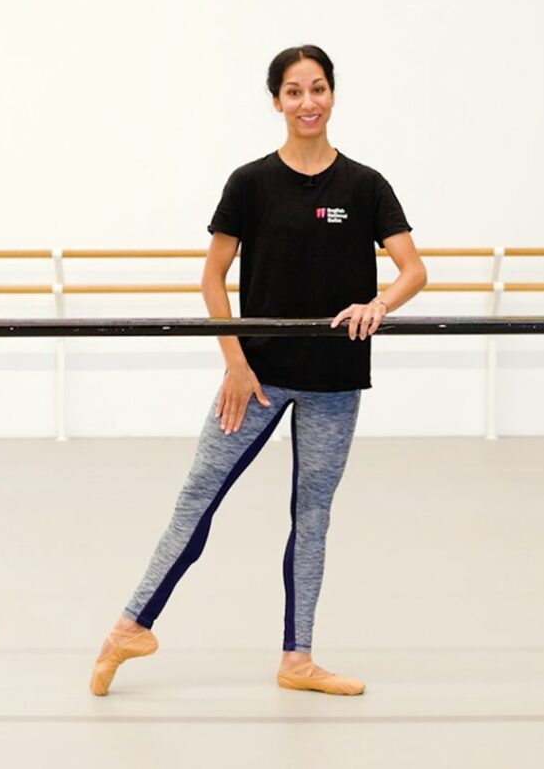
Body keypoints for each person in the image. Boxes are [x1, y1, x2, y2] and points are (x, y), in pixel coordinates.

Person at [90, 44, 427, 696]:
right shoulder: (250, 183)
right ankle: (129, 626)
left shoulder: (365, 185)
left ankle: (297, 657)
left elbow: (413, 269)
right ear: (276, 101)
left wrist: (379, 301)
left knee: (314, 514)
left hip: (334, 378)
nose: (308, 102)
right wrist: (236, 363)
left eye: (319, 88)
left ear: (333, 96)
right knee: (197, 498)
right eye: (294, 92)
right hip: (259, 377)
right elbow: (213, 277)